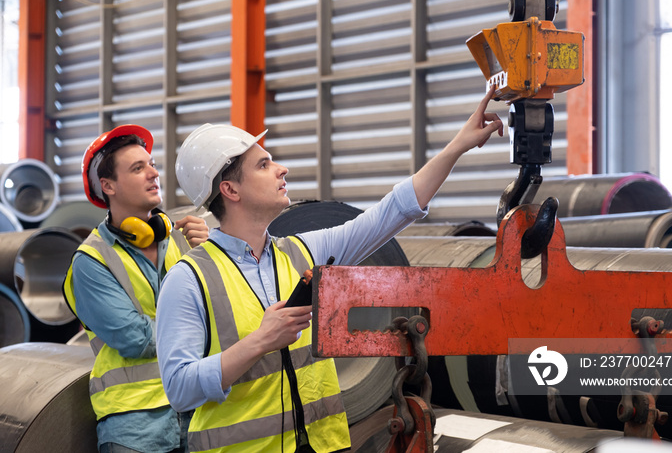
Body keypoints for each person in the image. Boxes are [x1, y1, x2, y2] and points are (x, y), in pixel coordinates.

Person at [155, 86, 504, 452]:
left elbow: (390, 213)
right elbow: (179, 390)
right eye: (263, 164)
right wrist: (260, 341)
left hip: (323, 446)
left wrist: (457, 146)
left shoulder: (303, 252)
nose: (281, 168)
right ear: (230, 190)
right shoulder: (188, 279)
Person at [63, 124, 209, 453]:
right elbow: (136, 339)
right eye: (137, 168)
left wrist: (212, 254)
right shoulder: (91, 260)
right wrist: (198, 327)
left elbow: (221, 309)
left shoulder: (182, 241)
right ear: (108, 185)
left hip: (197, 411)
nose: (152, 174)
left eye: (152, 164)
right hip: (136, 425)